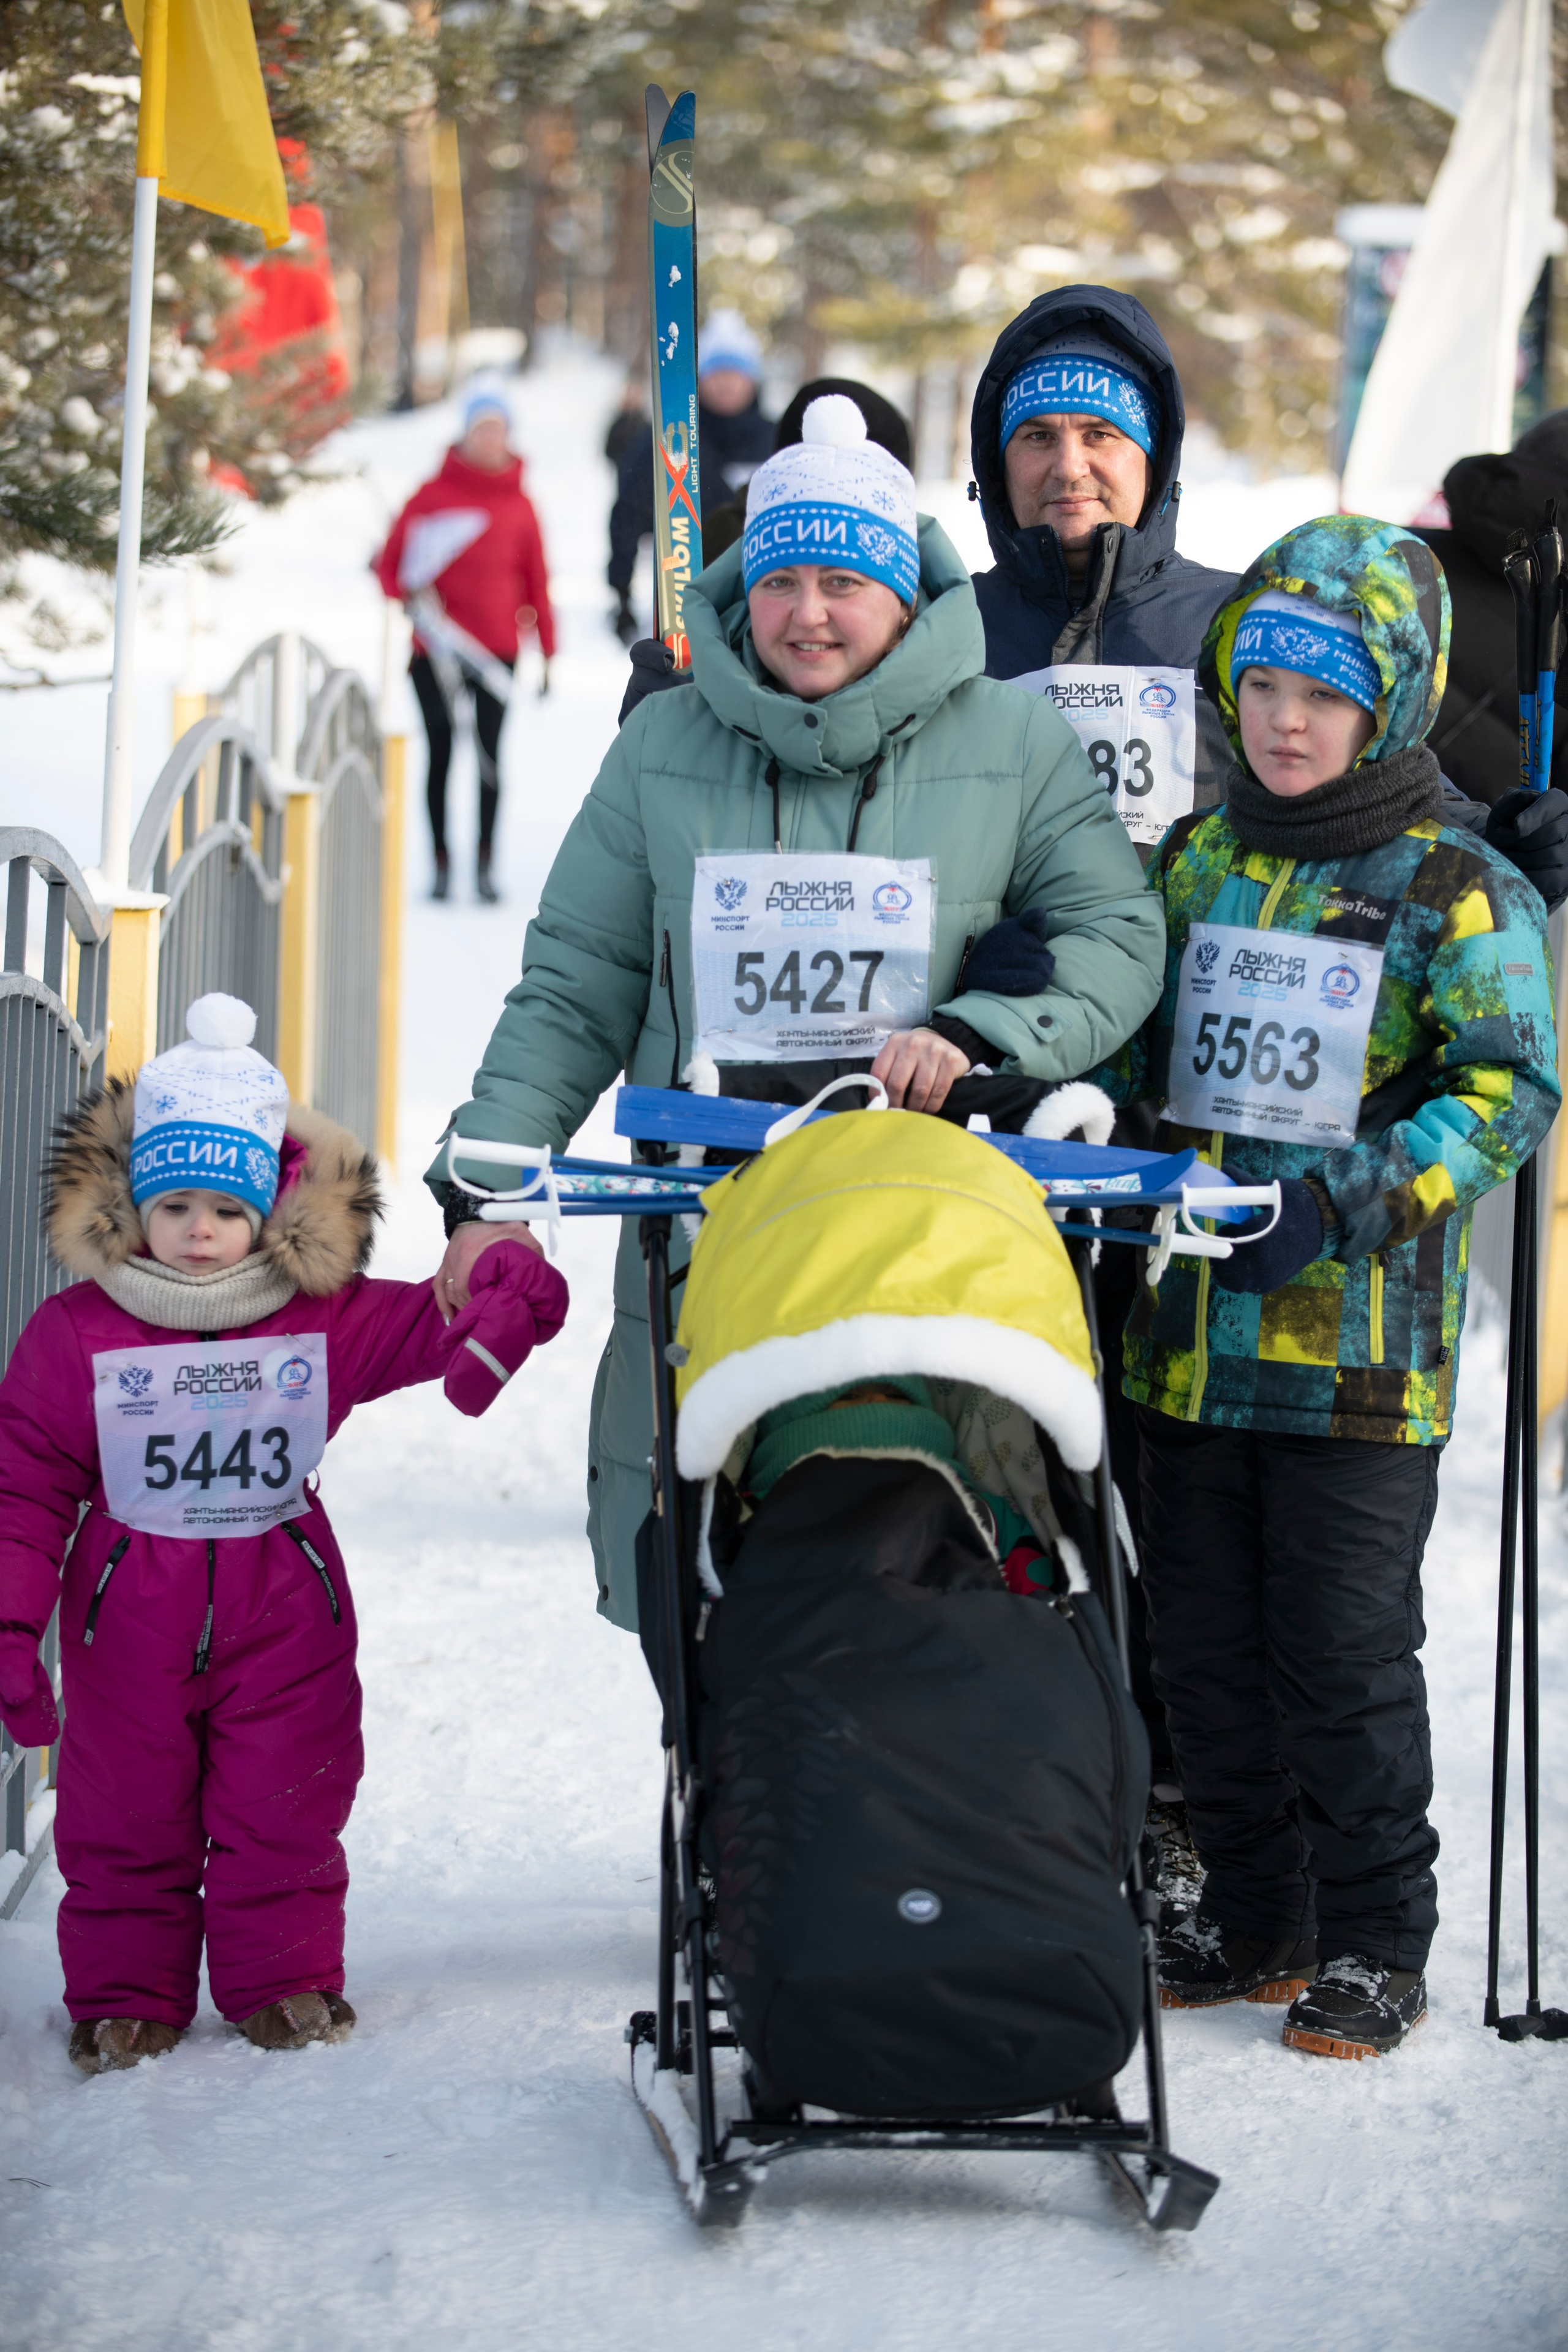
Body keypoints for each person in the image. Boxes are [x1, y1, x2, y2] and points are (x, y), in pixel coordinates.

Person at [430, 394, 1164, 1628]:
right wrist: (487, 1191)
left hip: (934, 1243)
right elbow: (575, 985)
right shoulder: (663, 747)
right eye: (779, 582)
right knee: (706, 1606)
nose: (807, 613)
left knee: (942, 1593)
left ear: (902, 597)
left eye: (843, 582)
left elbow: (1117, 936)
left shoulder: (1014, 741)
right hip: (708, 1239)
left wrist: (982, 1031)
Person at [1092, 518, 1559, 2059]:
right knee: (1201, 1655)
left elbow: (1504, 1091)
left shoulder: (1455, 885)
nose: (1285, 722)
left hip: (1357, 1357)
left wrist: (1335, 1203)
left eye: (1325, 694)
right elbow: (1126, 1039)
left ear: (1391, 703)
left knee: (1339, 1659)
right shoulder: (1193, 860)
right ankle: (1255, 1910)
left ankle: (1372, 1934)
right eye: (1263, 686)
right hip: (1184, 1342)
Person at [0, 995, 567, 2074]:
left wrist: (504, 1286)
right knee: (125, 1814)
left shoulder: (319, 1313)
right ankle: (126, 2001)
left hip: (285, 1611)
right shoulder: (76, 1334)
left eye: (227, 1206)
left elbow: (433, 1318)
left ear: (269, 1206)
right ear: (133, 1204)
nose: (199, 1231)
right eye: (175, 1205)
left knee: (286, 1798)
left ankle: (283, 1984)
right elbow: (22, 1488)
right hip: (126, 1624)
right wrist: (12, 1620)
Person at [374, 379, 556, 905]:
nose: (490, 438)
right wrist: (409, 595)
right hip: (434, 653)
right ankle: (439, 862)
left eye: (498, 428)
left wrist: (547, 651)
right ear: (466, 433)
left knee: (489, 759)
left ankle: (484, 863)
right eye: (481, 428)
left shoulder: (521, 505)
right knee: (441, 754)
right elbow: (390, 568)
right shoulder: (429, 497)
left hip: (498, 653)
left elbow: (537, 582)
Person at [607, 309, 774, 643]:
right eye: (716, 371)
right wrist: (622, 594)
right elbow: (627, 514)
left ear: (753, 379)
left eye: (736, 371)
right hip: (684, 612)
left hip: (765, 610)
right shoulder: (671, 439)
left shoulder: (780, 440)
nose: (726, 381)